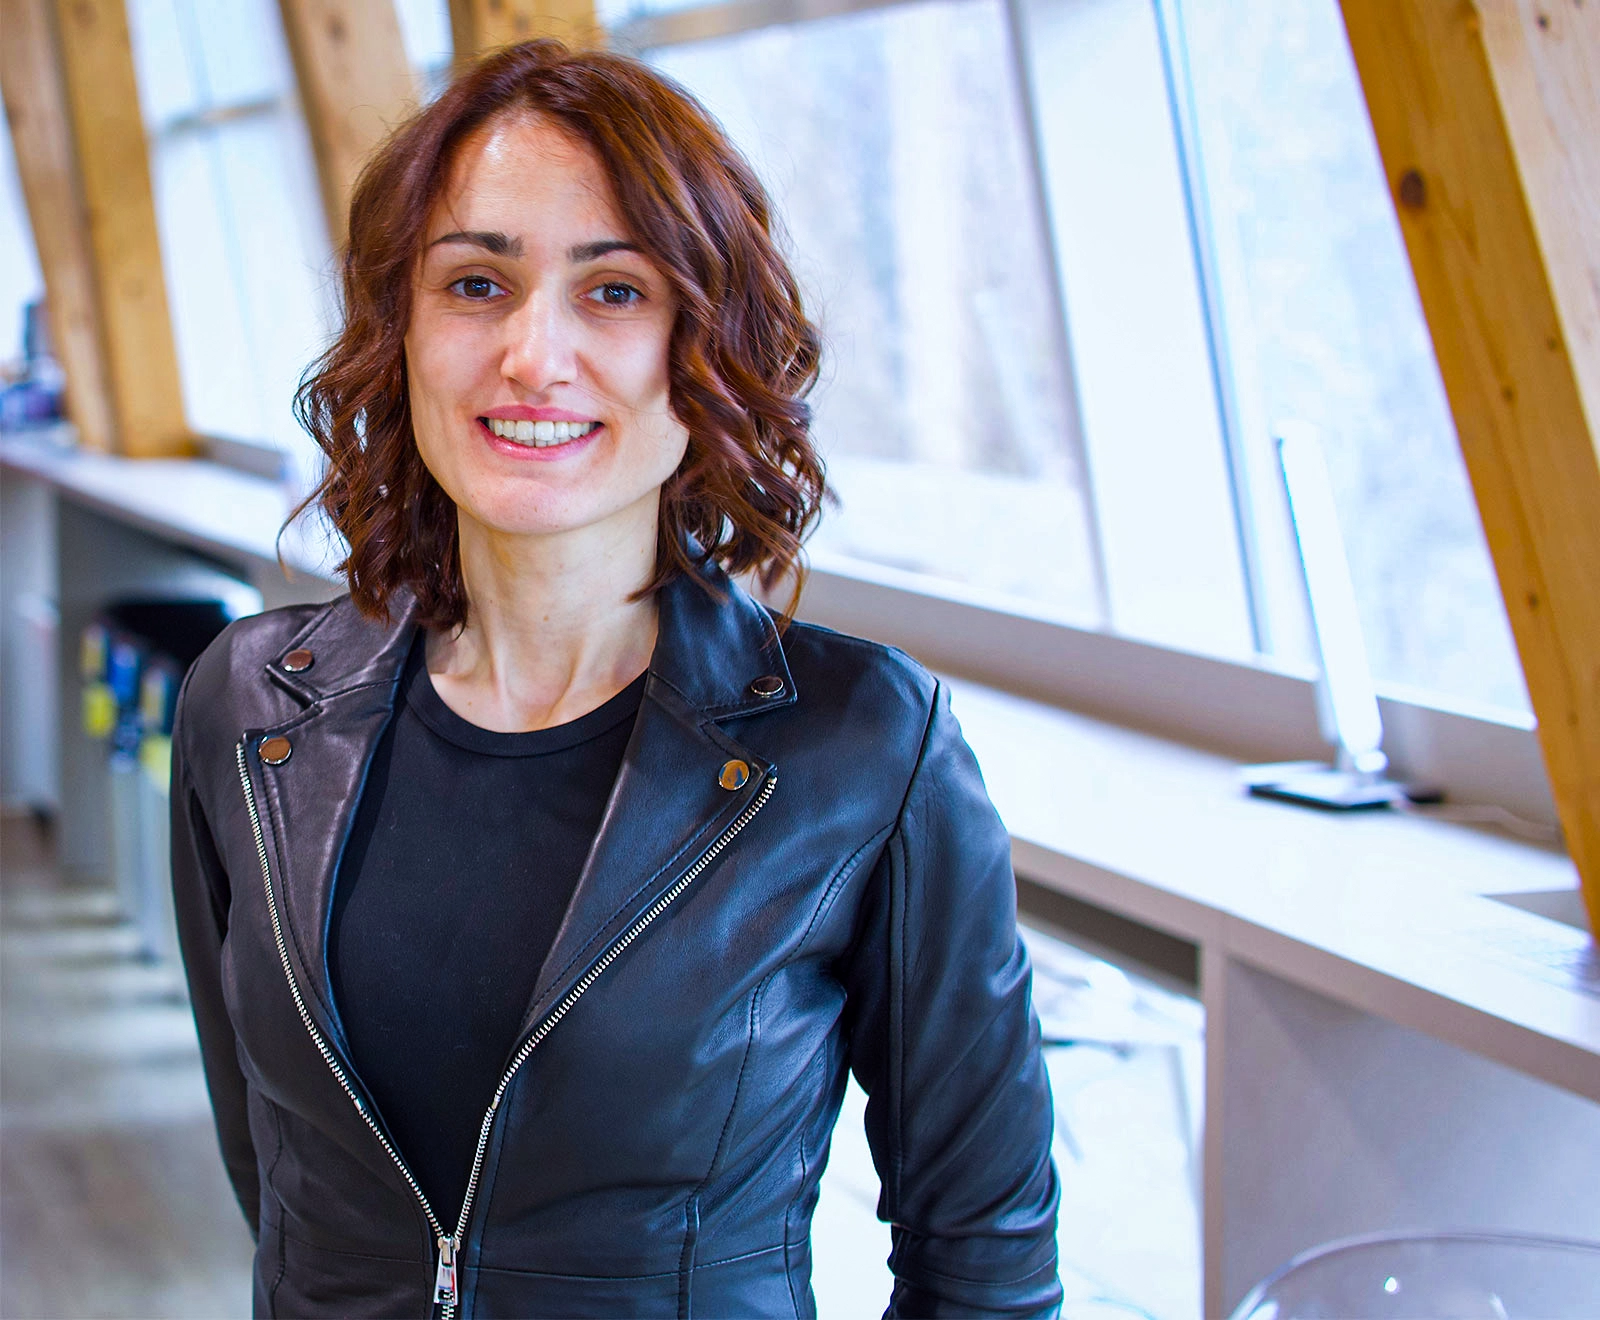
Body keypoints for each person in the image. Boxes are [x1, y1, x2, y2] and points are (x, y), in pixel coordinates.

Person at [170, 38, 1061, 1319]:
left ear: (705, 349)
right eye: (475, 284)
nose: (533, 355)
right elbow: (278, 1180)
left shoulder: (864, 746)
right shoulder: (249, 707)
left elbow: (983, 1256)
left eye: (615, 293)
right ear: (400, 333)